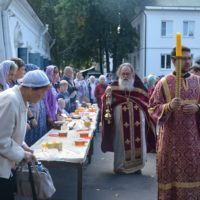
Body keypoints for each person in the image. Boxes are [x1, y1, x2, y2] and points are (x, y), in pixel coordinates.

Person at [148, 46, 200, 200]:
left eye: (189, 57)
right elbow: (152, 108)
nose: (188, 61)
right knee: (169, 178)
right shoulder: (163, 83)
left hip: (192, 142)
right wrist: (168, 106)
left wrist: (198, 107)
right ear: (173, 61)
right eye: (184, 58)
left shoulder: (198, 81)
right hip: (170, 142)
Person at [0, 70, 50, 200]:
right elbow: (1, 139)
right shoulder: (11, 100)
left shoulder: (21, 98)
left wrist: (23, 145)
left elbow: (11, 131)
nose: (43, 96)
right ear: (31, 88)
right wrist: (22, 154)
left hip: (6, 164)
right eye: (42, 92)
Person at [101, 63, 155, 174]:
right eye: (123, 74)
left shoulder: (139, 88)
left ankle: (137, 167)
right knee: (121, 141)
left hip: (138, 122)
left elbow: (146, 103)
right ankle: (121, 166)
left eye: (128, 74)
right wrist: (108, 96)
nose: (125, 76)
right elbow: (106, 103)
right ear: (119, 74)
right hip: (120, 122)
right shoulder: (112, 87)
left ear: (132, 75)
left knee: (138, 141)